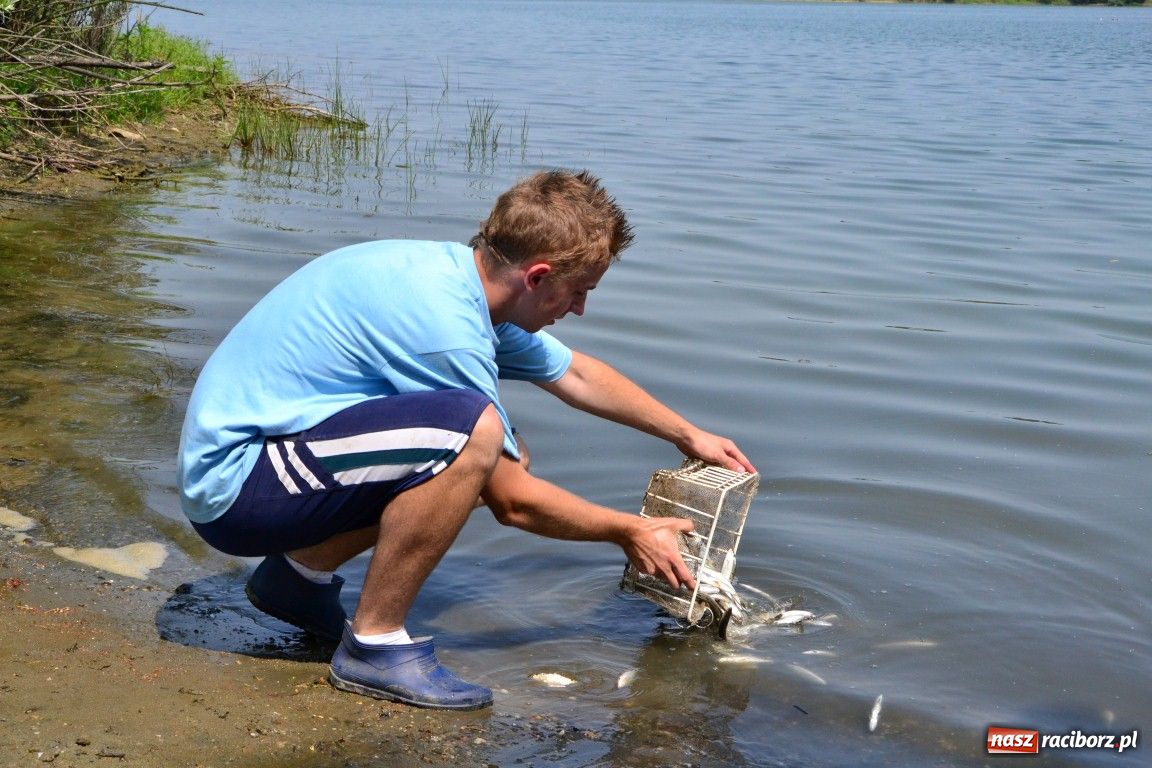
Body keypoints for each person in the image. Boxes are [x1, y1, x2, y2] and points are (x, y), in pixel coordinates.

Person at [177, 169, 754, 711]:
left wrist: (689, 433)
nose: (580, 309)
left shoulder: (462, 283)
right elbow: (512, 503)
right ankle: (374, 646)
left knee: (500, 445)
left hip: (272, 460)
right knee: (477, 435)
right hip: (235, 488)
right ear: (539, 277)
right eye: (579, 291)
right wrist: (629, 531)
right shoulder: (440, 326)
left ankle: (296, 579)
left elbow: (576, 375)